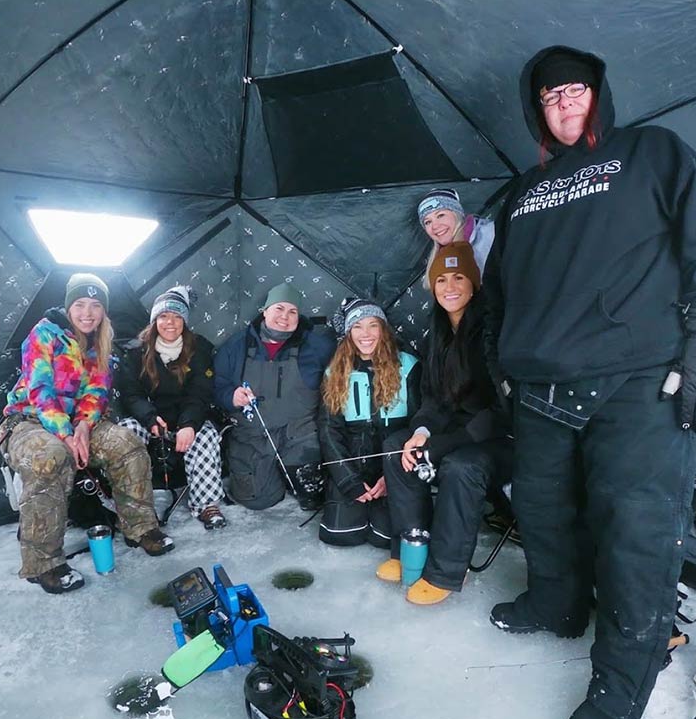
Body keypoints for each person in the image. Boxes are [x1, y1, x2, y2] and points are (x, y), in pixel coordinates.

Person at [483, 46, 696, 719]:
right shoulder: (524, 193)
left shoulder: (653, 152)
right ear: (536, 112)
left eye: (576, 89)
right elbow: (499, 295)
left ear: (598, 95)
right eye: (549, 96)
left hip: (637, 382)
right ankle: (557, 601)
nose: (565, 102)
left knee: (635, 539)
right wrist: (500, 362)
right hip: (540, 387)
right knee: (540, 510)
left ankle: (620, 681)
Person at [0, 273, 174, 595]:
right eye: (80, 304)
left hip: (79, 424)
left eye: (95, 306)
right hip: (28, 421)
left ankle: (140, 528)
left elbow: (96, 393)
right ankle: (44, 564)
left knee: (128, 445)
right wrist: (66, 435)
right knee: (49, 458)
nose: (87, 313)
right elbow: (41, 390)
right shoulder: (44, 333)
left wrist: (82, 426)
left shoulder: (102, 342)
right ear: (69, 306)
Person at [382, 242, 511, 605]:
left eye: (458, 278)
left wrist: (441, 445)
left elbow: (503, 410)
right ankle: (409, 548)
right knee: (397, 448)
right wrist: (421, 433)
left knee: (459, 466)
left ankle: (444, 572)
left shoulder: (494, 328)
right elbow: (434, 399)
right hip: (454, 432)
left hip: (500, 439)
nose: (449, 287)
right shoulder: (436, 330)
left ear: (474, 284)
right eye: (441, 280)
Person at [213, 282, 334, 510]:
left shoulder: (318, 346)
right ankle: (269, 475)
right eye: (279, 308)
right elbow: (218, 386)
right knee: (256, 500)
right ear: (265, 310)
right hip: (253, 435)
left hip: (300, 433)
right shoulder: (235, 346)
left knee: (313, 498)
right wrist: (232, 396)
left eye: (292, 312)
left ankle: (294, 473)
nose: (285, 317)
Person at [116, 285, 226, 530]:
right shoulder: (135, 351)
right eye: (164, 316)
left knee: (206, 434)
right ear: (155, 319)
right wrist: (150, 418)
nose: (170, 323)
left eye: (177, 317)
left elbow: (200, 393)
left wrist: (188, 425)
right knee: (125, 432)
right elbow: (131, 394)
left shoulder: (199, 349)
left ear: (184, 322)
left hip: (186, 416)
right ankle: (136, 508)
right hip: (150, 418)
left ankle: (206, 505)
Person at [317, 298, 420, 547]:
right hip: (354, 465)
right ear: (348, 332)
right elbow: (329, 430)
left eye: (373, 325)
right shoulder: (334, 371)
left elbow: (419, 425)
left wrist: (391, 476)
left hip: (393, 465)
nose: (366, 334)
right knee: (341, 536)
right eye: (357, 326)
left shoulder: (408, 365)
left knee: (385, 539)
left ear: (383, 329)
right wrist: (349, 480)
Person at [416, 188, 495, 288]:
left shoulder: (491, 233)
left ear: (457, 214)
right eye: (427, 222)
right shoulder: (437, 262)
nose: (435, 226)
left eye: (440, 215)